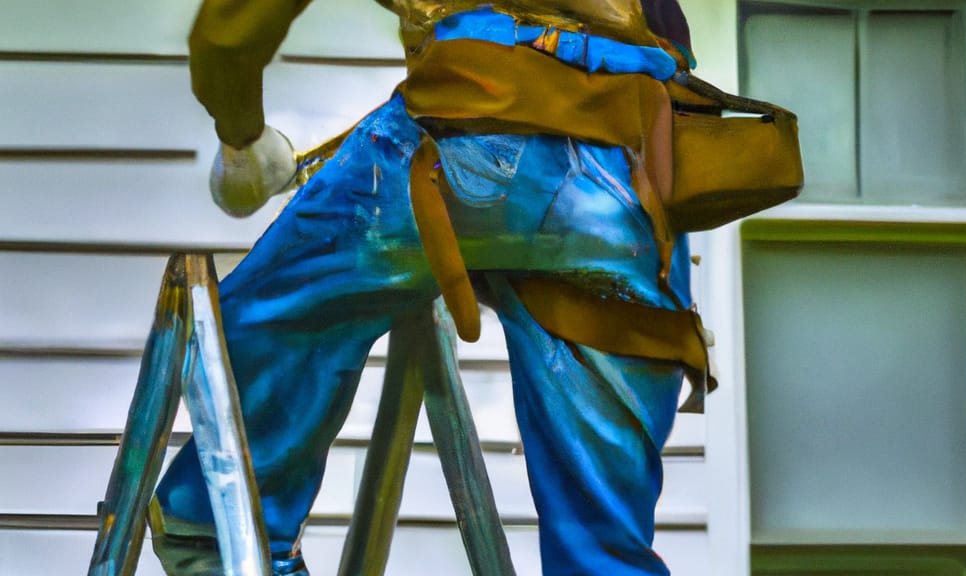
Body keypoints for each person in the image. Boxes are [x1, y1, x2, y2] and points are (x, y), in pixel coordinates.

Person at [151, 1, 711, 575]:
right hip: (633, 177)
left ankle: (221, 532)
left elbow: (232, 27)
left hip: (466, 127)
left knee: (281, 315)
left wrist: (242, 137)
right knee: (604, 554)